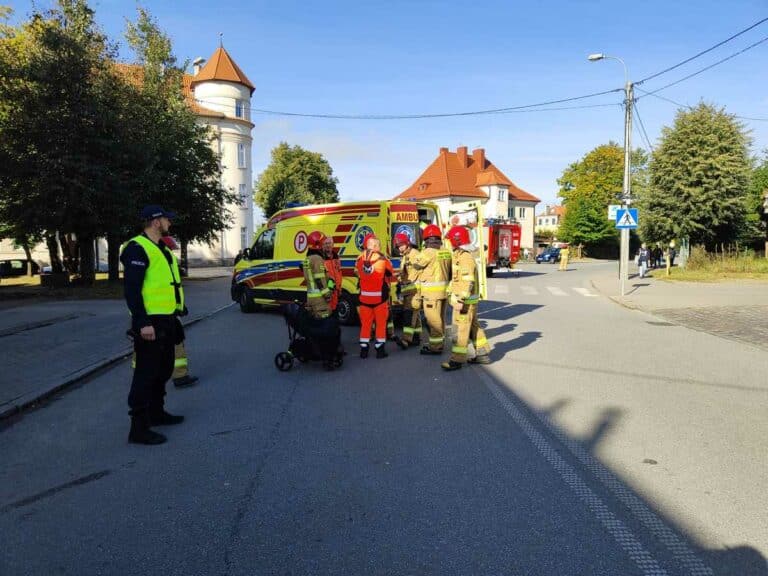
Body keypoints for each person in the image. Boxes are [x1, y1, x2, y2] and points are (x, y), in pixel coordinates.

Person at [120, 205, 186, 445]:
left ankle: (157, 413)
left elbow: (168, 284)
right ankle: (137, 428)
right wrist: (141, 322)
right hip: (149, 321)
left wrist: (177, 313)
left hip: (167, 318)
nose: (170, 222)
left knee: (164, 368)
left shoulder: (162, 248)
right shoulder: (137, 248)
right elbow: (132, 290)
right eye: (167, 219)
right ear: (155, 222)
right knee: (145, 374)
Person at [442, 226, 491, 371]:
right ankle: (482, 354)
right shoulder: (460, 255)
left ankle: (456, 360)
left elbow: (467, 281)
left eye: (451, 241)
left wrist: (460, 300)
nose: (449, 243)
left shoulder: (465, 257)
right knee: (474, 327)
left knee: (460, 331)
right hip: (468, 302)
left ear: (457, 241)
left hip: (464, 303)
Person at [159, 235, 198, 389]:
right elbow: (170, 287)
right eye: (171, 249)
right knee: (177, 343)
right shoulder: (164, 261)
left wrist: (180, 305)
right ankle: (180, 376)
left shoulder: (162, 260)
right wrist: (178, 307)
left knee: (153, 346)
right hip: (167, 312)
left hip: (162, 311)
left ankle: (148, 376)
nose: (172, 252)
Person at [302, 231, 341, 371]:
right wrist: (328, 295)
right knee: (326, 331)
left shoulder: (307, 259)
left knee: (316, 329)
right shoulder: (317, 259)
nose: (324, 244)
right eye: (323, 242)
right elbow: (320, 280)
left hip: (311, 300)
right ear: (317, 244)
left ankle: (316, 353)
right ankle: (327, 360)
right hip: (320, 301)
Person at [412, 224, 451, 355]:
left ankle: (435, 347)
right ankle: (441, 341)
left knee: (433, 321)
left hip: (431, 294)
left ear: (426, 239)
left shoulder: (428, 252)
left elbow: (416, 265)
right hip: (444, 292)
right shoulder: (445, 251)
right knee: (441, 319)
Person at [355, 234, 394, 359]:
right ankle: (380, 351)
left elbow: (358, 273)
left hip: (364, 298)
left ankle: (364, 350)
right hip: (379, 299)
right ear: (375, 245)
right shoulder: (382, 259)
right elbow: (390, 273)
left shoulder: (359, 259)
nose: (380, 246)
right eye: (378, 244)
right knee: (381, 324)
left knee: (366, 325)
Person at [393, 232, 422, 348]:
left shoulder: (415, 255)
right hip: (408, 291)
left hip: (414, 291)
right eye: (398, 246)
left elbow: (416, 273)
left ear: (407, 244)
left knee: (409, 315)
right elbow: (405, 271)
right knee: (415, 315)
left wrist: (404, 280)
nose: (399, 248)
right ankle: (416, 337)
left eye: (401, 245)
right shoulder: (405, 255)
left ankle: (406, 340)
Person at [322, 235, 343, 314]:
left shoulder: (336, 256)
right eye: (326, 243)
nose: (328, 245)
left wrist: (339, 287)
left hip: (336, 291)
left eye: (330, 243)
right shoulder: (321, 257)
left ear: (333, 244)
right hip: (327, 291)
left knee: (334, 313)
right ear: (323, 245)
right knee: (327, 313)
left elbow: (339, 272)